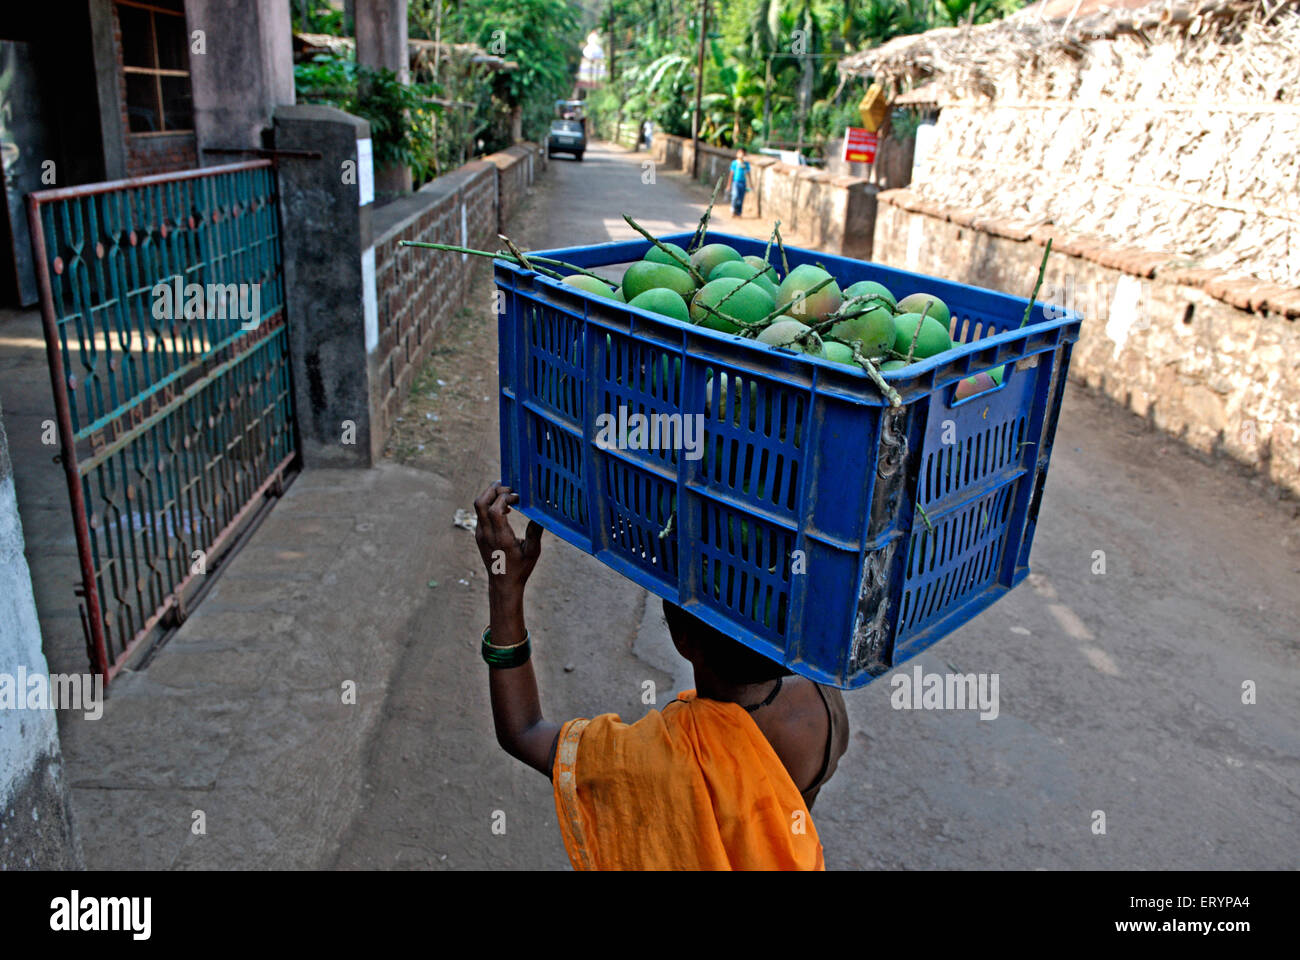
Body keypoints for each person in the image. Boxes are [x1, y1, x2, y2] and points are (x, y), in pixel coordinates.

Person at [473, 482, 850, 871]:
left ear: (681, 638)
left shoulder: (655, 761)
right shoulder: (823, 704)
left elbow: (523, 731)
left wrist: (506, 587)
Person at [729, 149, 751, 216]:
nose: (741, 155)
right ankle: (733, 209)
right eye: (739, 153)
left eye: (742, 153)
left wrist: (750, 184)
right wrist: (729, 184)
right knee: (735, 196)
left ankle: (738, 212)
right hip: (736, 182)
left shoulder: (746, 164)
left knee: (741, 198)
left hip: (743, 183)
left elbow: (748, 174)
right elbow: (731, 174)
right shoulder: (734, 163)